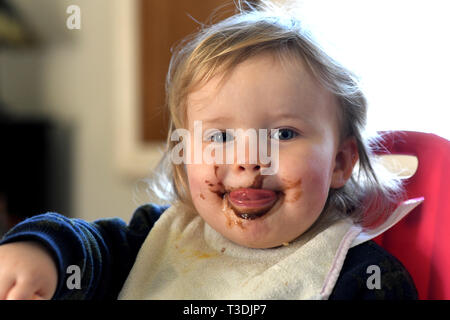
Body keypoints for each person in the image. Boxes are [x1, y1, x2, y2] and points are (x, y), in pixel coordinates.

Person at [0, 1, 418, 300]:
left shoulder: (362, 277)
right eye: (219, 137)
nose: (249, 158)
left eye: (284, 134)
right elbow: (85, 249)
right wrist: (42, 254)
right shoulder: (153, 239)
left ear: (340, 163)